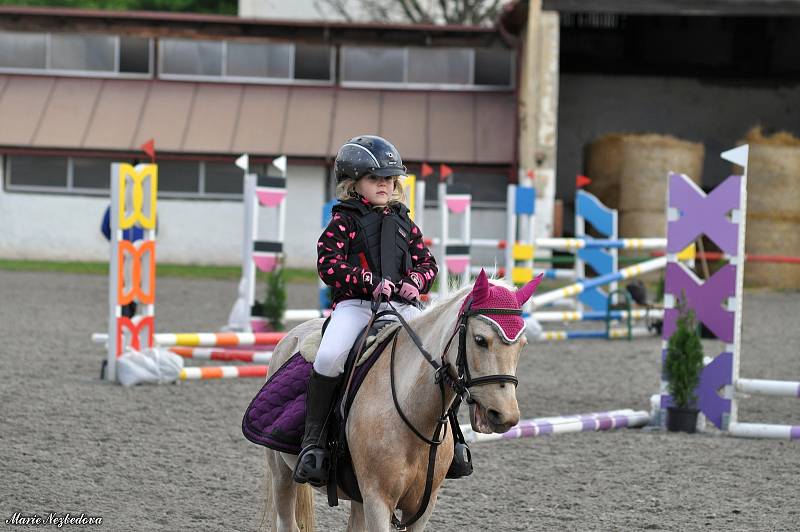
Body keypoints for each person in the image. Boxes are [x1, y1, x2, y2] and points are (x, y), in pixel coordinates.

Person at [294, 135, 438, 485]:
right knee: (329, 358)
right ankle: (313, 443)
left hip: (404, 307)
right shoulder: (342, 221)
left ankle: (454, 443)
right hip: (356, 307)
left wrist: (417, 280)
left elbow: (429, 263)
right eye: (376, 179)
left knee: (437, 355)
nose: (385, 185)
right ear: (353, 183)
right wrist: (368, 280)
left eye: (389, 179)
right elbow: (328, 265)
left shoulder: (406, 222)